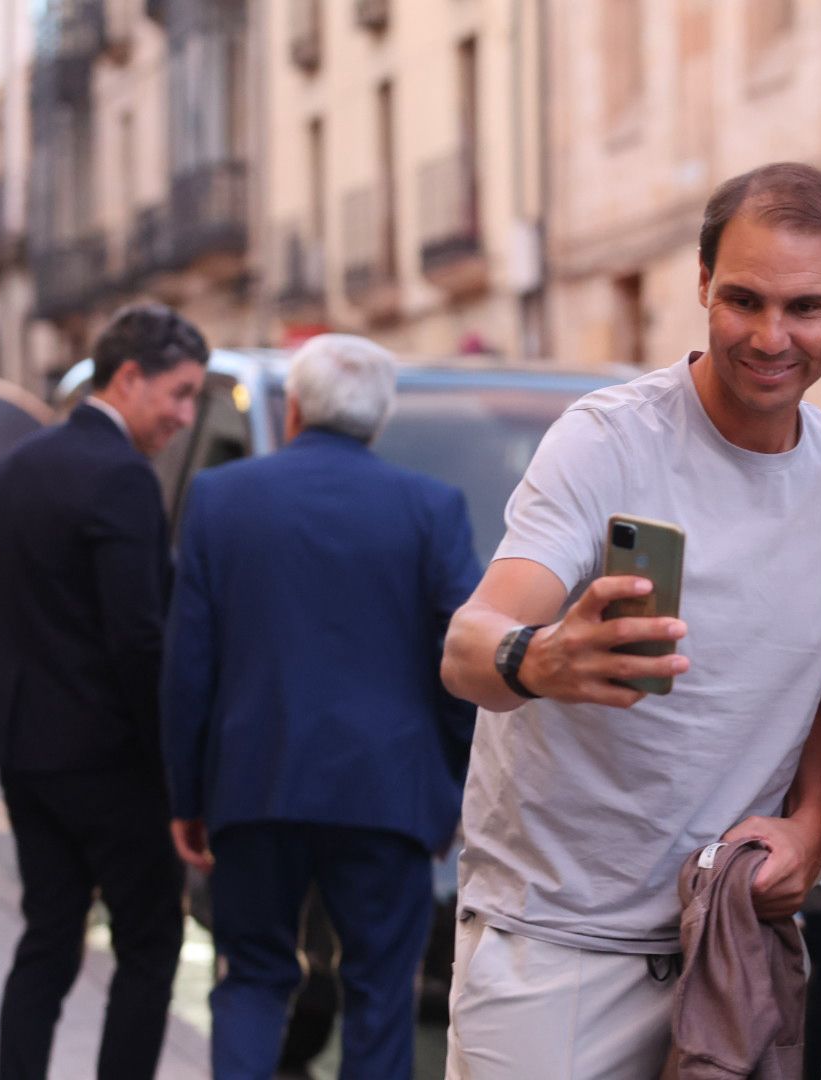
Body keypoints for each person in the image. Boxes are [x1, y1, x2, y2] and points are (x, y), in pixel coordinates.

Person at [439, 161, 821, 1079]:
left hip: (732, 952)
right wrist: (543, 657)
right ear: (700, 286)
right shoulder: (605, 439)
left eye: (804, 307)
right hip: (552, 951)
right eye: (742, 300)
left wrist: (809, 829)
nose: (771, 337)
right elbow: (468, 646)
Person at [160, 334, 482, 1080]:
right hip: (387, 794)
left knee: (252, 978)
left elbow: (189, 665)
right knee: (378, 993)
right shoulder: (431, 508)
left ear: (295, 409)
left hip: (253, 786)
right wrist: (450, 784)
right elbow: (464, 657)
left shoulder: (221, 498)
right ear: (380, 418)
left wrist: (187, 793)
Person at [0, 303, 209, 1080]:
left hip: (22, 743)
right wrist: (173, 771)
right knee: (149, 943)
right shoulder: (124, 479)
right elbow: (138, 639)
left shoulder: (18, 465)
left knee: (47, 938)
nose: (184, 415)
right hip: (108, 757)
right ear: (128, 377)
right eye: (179, 392)